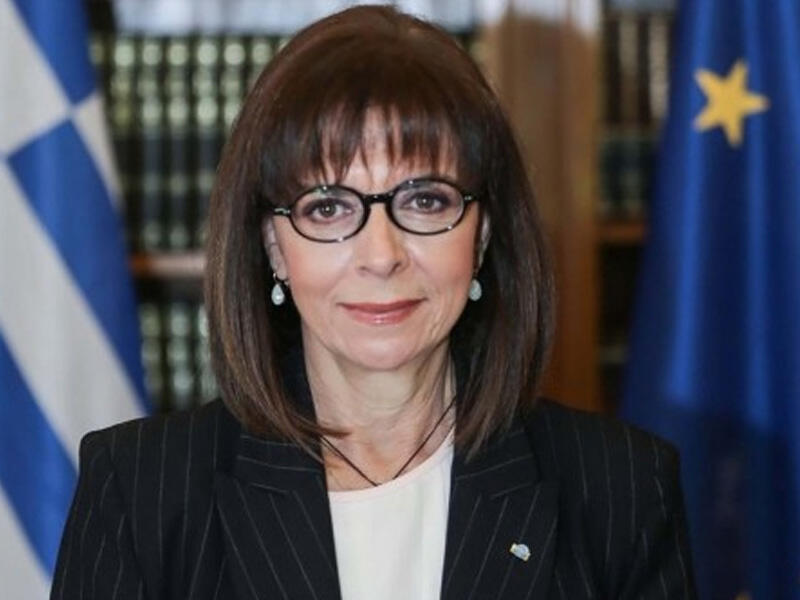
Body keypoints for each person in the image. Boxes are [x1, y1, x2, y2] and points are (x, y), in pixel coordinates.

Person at [51, 5, 696, 599]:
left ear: (482, 236)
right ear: (274, 246)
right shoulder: (141, 494)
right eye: (329, 208)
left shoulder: (621, 490)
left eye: (425, 201)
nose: (381, 254)